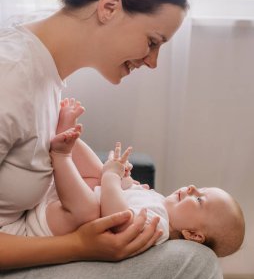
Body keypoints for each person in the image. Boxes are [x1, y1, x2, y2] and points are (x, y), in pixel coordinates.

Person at [0, 0, 232, 279]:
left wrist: (114, 181)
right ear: (109, 7)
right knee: (196, 266)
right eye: (153, 41)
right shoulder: (11, 77)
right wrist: (76, 246)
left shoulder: (43, 70)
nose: (153, 62)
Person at [41, 98, 244, 259]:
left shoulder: (159, 227)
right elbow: (126, 193)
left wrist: (111, 177)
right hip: (62, 199)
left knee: (91, 205)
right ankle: (67, 135)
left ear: (193, 234)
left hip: (56, 223)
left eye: (200, 199)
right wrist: (124, 178)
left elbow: (119, 220)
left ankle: (61, 155)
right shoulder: (158, 202)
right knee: (98, 171)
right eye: (199, 187)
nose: (191, 187)